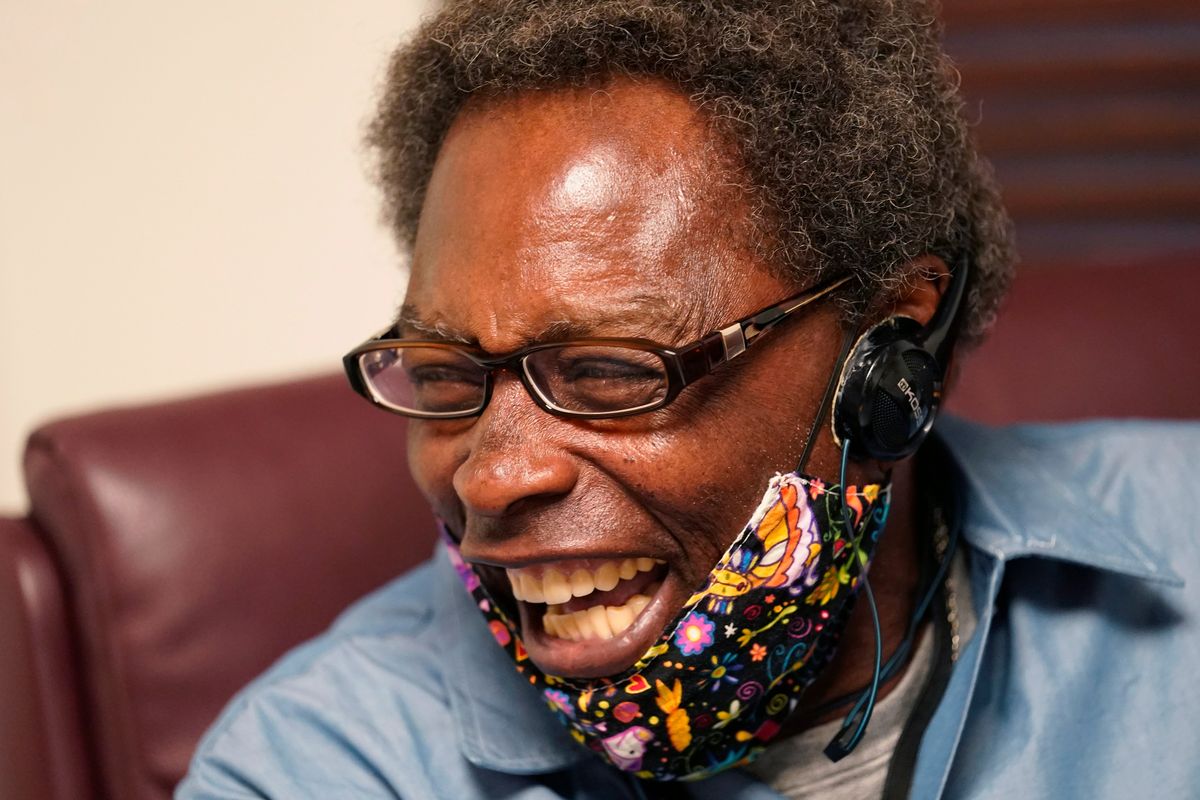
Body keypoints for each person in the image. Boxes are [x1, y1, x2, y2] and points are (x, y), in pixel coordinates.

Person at [177, 2, 1199, 798]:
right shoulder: (314, 764)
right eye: (445, 374)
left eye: (610, 371)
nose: (494, 472)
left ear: (888, 352)